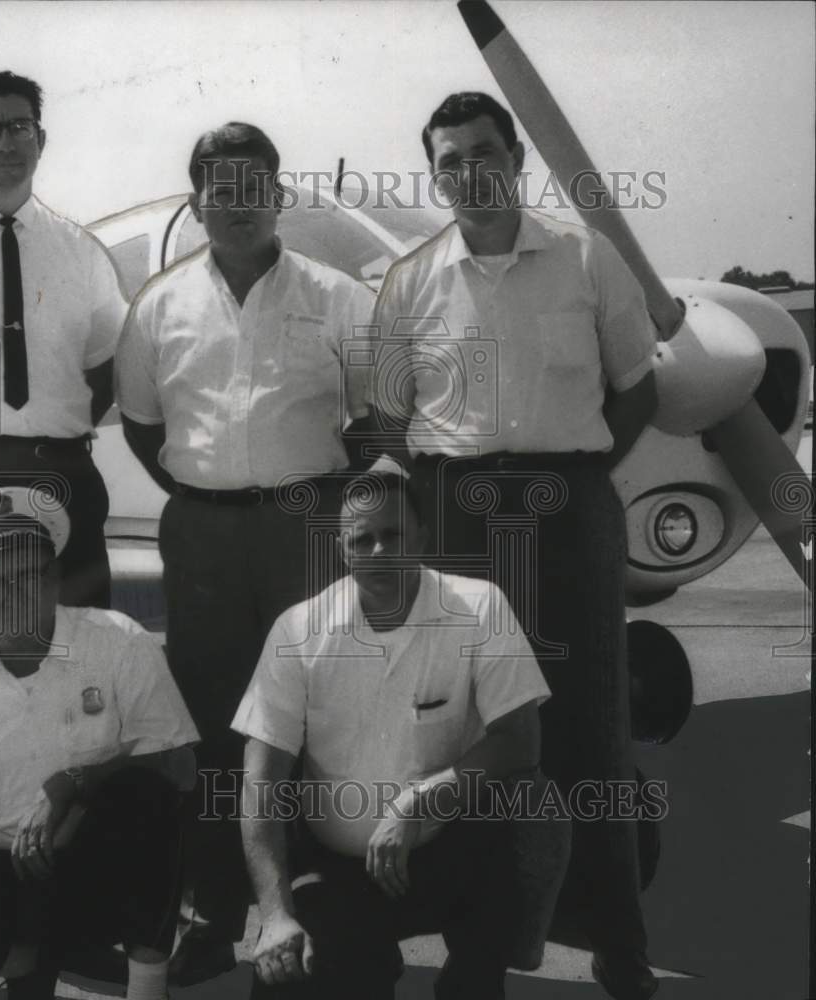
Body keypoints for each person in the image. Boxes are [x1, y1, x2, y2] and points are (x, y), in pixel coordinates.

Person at [368, 93, 660, 999]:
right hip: (452, 512)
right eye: (449, 162)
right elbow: (385, 416)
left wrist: (568, 476)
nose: (469, 174)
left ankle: (616, 937)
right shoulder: (410, 278)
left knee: (589, 728)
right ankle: (477, 941)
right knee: (462, 726)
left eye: (483, 153)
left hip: (566, 510)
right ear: (434, 173)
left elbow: (634, 389)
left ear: (516, 155)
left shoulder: (586, 258)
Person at [115, 122, 376, 982]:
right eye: (217, 188)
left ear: (278, 194)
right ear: (197, 203)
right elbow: (148, 428)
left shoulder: (339, 297)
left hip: (309, 527)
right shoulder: (158, 305)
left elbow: (378, 418)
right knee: (215, 719)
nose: (235, 203)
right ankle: (210, 907)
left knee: (317, 711)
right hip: (203, 535)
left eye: (251, 184)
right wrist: (215, 491)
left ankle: (317, 903)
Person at [234, 459, 571, 999]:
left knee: (533, 804)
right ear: (341, 549)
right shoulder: (298, 630)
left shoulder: (479, 607)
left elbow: (519, 739)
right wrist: (275, 915)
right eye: (361, 540)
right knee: (288, 976)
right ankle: (366, 959)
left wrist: (417, 804)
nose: (378, 553)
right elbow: (261, 781)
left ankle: (479, 970)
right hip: (341, 867)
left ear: (422, 536)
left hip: (449, 847)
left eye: (392, 535)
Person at [0, 485, 200, 1000]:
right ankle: (22, 954)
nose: (11, 596)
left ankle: (146, 987)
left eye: (27, 575)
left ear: (55, 578)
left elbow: (179, 764)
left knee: (149, 798)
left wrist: (76, 782)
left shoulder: (118, 641)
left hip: (86, 862)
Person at [0, 70, 127, 663]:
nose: (6, 143)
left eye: (20, 127)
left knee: (81, 648)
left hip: (58, 473)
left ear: (42, 139)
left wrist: (49, 432)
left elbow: (103, 369)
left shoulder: (82, 252)